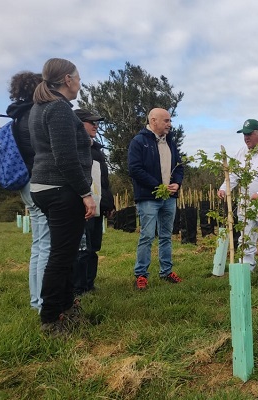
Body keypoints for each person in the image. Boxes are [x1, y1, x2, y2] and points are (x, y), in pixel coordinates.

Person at [28, 58, 96, 337]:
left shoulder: (41, 107)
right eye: (78, 78)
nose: (80, 83)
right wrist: (86, 193)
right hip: (60, 188)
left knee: (65, 252)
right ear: (68, 79)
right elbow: (65, 159)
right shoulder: (58, 109)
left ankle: (66, 308)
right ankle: (50, 319)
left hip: (44, 187)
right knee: (61, 255)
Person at [5, 71, 49, 312]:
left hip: (25, 182)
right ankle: (43, 302)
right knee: (46, 244)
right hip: (38, 181)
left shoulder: (18, 116)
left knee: (38, 243)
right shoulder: (35, 115)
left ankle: (36, 300)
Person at [217, 119, 258, 275]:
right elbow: (233, 174)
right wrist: (224, 189)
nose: (246, 138)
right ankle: (246, 265)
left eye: (249, 134)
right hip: (245, 201)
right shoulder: (242, 153)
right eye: (244, 135)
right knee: (246, 234)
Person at [128, 108, 184, 290]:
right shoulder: (139, 141)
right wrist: (157, 186)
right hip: (148, 198)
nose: (169, 124)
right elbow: (135, 169)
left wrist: (177, 183)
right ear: (153, 121)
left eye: (170, 121)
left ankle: (166, 271)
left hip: (169, 198)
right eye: (166, 120)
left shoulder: (170, 143)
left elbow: (179, 167)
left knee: (166, 236)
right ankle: (141, 274)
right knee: (147, 235)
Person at [72, 109, 115, 296]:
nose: (96, 126)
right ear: (79, 123)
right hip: (81, 207)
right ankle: (78, 288)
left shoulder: (96, 150)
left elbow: (102, 181)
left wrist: (108, 204)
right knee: (82, 248)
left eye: (97, 122)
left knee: (94, 247)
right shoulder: (72, 147)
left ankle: (89, 284)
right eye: (91, 122)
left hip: (97, 206)